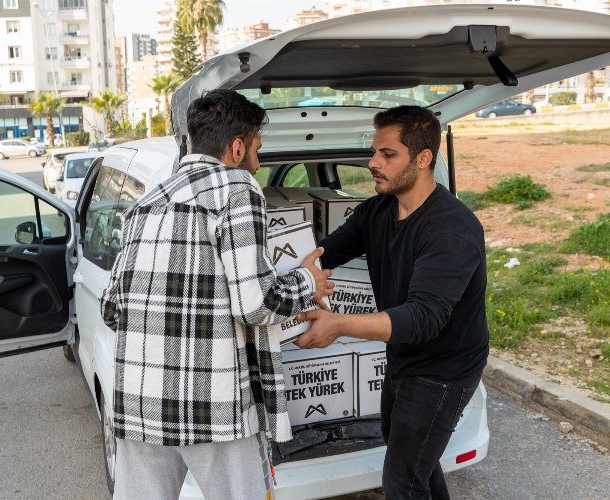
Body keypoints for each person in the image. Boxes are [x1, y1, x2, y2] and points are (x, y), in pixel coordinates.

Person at [101, 89, 333, 499]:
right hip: (214, 406)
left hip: (138, 402)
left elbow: (111, 307)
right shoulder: (236, 187)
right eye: (257, 151)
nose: (258, 164)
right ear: (237, 147)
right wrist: (307, 281)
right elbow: (257, 304)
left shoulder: (146, 202)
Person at [295, 106, 489, 499]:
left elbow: (423, 318)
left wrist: (338, 324)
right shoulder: (378, 211)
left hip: (444, 369)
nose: (372, 163)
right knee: (415, 459)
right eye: (374, 153)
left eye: (387, 154)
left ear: (422, 159)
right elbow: (326, 251)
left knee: (402, 479)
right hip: (403, 357)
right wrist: (305, 275)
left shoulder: (452, 229)